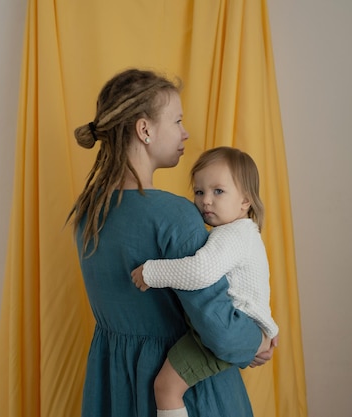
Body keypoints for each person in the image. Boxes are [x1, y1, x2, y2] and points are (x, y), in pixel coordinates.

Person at [67, 68, 275, 417]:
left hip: (113, 385)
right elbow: (217, 327)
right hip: (188, 394)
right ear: (145, 129)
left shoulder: (88, 213)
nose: (185, 131)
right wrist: (256, 341)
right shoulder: (174, 215)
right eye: (177, 121)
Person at [131, 146, 279, 417]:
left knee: (166, 388)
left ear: (245, 200)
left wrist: (152, 273)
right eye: (199, 192)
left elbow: (200, 272)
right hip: (241, 327)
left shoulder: (232, 235)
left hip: (233, 328)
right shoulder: (242, 232)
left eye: (218, 191)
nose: (205, 201)